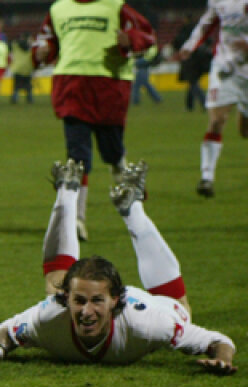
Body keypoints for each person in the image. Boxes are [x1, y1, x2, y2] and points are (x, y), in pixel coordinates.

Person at [0, 159, 236, 374]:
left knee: (181, 309)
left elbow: (219, 341)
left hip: (153, 305)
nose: (86, 312)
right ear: (67, 300)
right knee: (56, 284)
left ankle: (132, 210)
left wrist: (222, 359)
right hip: (82, 296)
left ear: (115, 301)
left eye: (97, 301)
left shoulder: (150, 323)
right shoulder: (52, 313)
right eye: (79, 301)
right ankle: (68, 191)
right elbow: (9, 329)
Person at [34, 0, 154, 241]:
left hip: (108, 88)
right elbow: (46, 40)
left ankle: (120, 169)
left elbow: (148, 37)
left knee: (112, 152)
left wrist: (131, 40)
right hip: (71, 87)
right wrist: (42, 51)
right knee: (77, 157)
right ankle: (77, 220)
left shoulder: (116, 6)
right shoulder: (58, 9)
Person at [178, 0, 248, 198]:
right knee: (217, 120)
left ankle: (244, 110)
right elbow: (206, 24)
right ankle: (206, 178)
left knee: (245, 131)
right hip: (225, 67)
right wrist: (190, 45)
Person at [10, 35, 34, 103]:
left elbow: (11, 44)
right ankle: (30, 99)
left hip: (18, 68)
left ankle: (15, 99)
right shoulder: (31, 47)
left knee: (16, 85)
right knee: (28, 86)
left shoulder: (15, 46)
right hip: (28, 68)